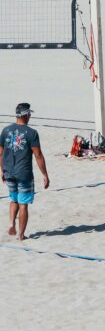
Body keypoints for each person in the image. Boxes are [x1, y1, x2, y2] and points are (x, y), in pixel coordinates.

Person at [1, 103, 50, 241]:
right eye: (29, 114)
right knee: (23, 205)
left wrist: (2, 171)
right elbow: (38, 154)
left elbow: (0, 153)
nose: (30, 116)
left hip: (9, 171)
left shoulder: (5, 130)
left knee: (13, 199)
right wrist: (45, 174)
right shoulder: (31, 133)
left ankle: (11, 223)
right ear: (25, 114)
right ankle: (21, 235)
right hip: (24, 174)